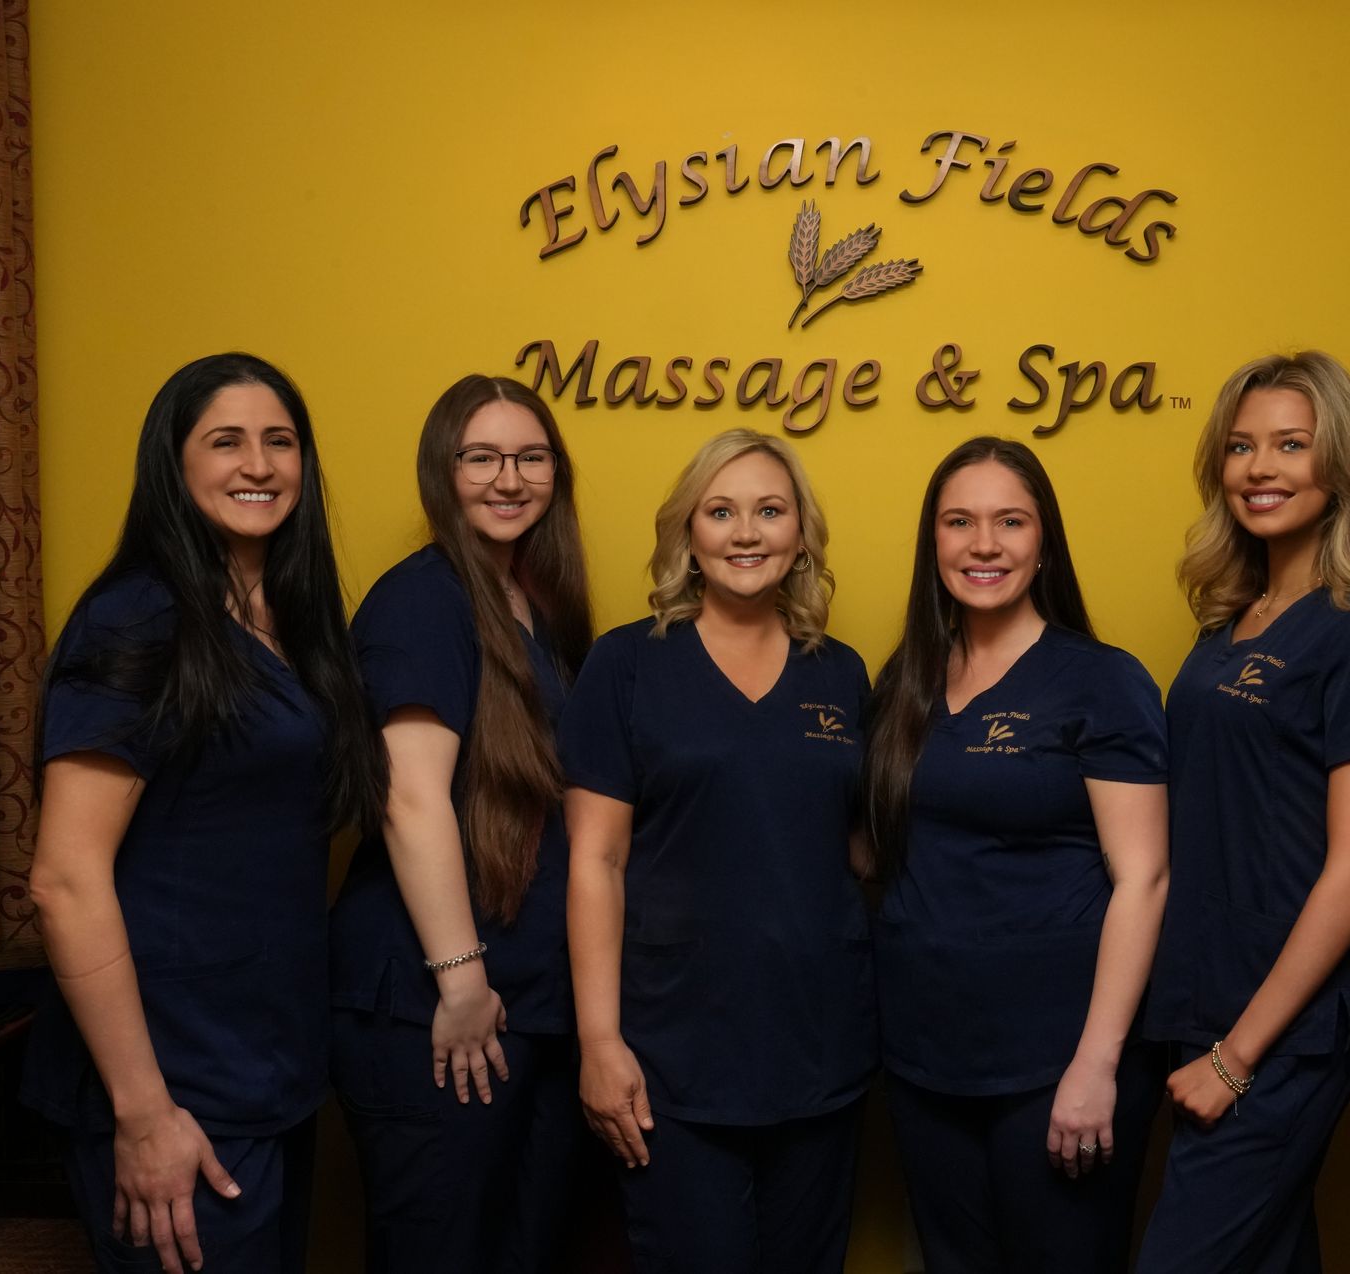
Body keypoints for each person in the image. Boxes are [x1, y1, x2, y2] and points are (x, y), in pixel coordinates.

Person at [24, 352, 385, 1274]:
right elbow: (65, 880)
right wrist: (144, 1115)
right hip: (172, 1085)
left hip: (268, 1071)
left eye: (280, 442)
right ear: (173, 466)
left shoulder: (292, 622)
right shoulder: (137, 618)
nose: (258, 466)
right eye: (225, 442)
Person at [562, 429, 876, 1273]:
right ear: (688, 534)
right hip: (673, 1054)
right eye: (722, 511)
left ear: (802, 533)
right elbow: (596, 861)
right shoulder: (626, 665)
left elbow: (857, 851)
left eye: (770, 511)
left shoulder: (841, 674)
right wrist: (599, 1043)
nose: (746, 533)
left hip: (819, 1047)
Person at [863, 436, 1170, 1273]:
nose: (984, 545)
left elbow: (1144, 878)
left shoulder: (1101, 680)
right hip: (925, 1061)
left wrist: (1096, 1065)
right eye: (959, 522)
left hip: (1056, 1060)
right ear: (934, 541)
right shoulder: (906, 682)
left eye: (1010, 521)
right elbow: (876, 849)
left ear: (1044, 541)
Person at [1137, 352, 1350, 1273]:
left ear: (1340, 467)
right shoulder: (1230, 621)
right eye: (1242, 447)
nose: (1261, 469)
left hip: (1285, 1023)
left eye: (1292, 445)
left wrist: (1237, 1056)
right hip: (1205, 993)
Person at [328, 375, 598, 1273]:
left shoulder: (536, 603)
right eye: (480, 457)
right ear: (441, 471)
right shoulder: (424, 598)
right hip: (439, 1008)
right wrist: (460, 979)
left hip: (525, 1006)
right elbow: (409, 796)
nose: (508, 478)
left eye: (530, 457)